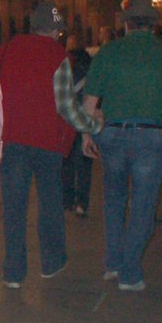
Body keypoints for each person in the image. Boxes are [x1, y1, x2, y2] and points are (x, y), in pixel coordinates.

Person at [0, 2, 102, 289]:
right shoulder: (57, 56)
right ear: (55, 31)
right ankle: (51, 262)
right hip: (48, 144)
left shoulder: (4, 52)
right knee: (50, 204)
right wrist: (93, 125)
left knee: (13, 208)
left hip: (12, 141)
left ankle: (13, 272)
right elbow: (65, 106)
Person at [80, 0, 162, 292]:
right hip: (150, 136)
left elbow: (90, 101)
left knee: (114, 199)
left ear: (126, 24)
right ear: (154, 25)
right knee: (143, 205)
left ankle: (113, 263)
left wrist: (86, 134)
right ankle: (130, 272)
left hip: (113, 134)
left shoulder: (109, 52)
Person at [60, 34, 94, 217]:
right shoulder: (90, 63)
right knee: (84, 162)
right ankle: (82, 202)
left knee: (66, 160)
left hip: (68, 119)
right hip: (85, 117)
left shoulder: (65, 62)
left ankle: (67, 200)